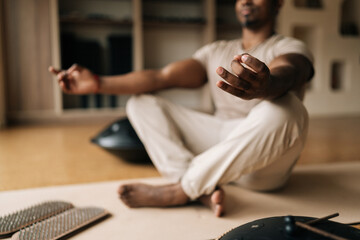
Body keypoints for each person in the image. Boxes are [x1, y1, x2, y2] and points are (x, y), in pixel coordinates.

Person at [49, 0, 314, 217]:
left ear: (278, 3)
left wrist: (266, 85)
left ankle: (183, 189)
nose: (245, 0)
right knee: (141, 103)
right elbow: (160, 77)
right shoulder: (215, 51)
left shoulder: (290, 47)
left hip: (262, 165)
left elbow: (291, 71)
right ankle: (201, 188)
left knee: (290, 109)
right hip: (218, 140)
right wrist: (97, 83)